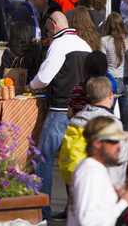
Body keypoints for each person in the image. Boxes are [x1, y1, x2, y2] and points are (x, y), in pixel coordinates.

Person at [26, 11, 91, 221]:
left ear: (54, 25)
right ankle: (71, 212)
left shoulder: (59, 44)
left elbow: (44, 78)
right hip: (80, 112)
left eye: (48, 29)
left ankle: (41, 213)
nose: (48, 34)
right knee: (72, 163)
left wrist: (29, 86)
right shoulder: (85, 44)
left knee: (43, 161)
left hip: (60, 111)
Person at [61, 77, 128, 188]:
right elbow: (118, 155)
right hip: (105, 185)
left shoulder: (78, 119)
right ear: (111, 94)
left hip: (81, 181)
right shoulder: (110, 122)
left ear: (89, 96)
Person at [67, 116, 128, 226]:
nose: (119, 146)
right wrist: (123, 203)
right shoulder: (90, 171)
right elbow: (88, 220)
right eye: (114, 141)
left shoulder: (93, 168)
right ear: (97, 143)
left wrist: (116, 200)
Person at [99, 12, 128, 112]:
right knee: (127, 115)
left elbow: (102, 62)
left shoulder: (104, 40)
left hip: (112, 81)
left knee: (108, 113)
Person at [67, 51, 114, 119]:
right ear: (105, 68)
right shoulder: (105, 89)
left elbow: (69, 114)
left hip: (80, 126)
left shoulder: (78, 88)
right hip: (100, 127)